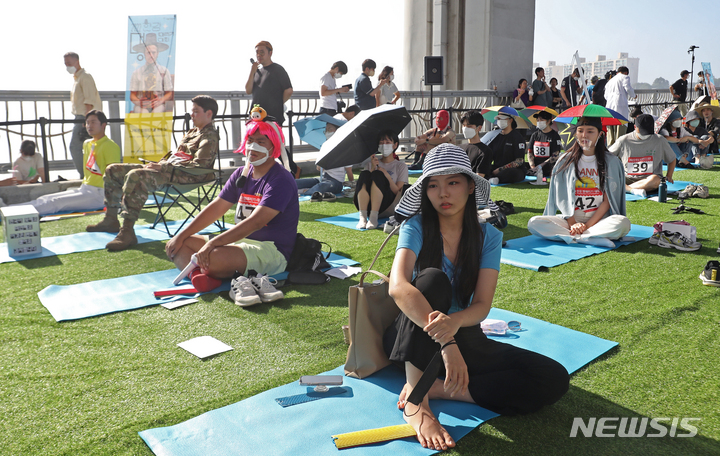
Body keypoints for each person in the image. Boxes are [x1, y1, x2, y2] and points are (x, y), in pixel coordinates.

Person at [384, 144, 569, 451]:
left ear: (470, 186)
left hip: (462, 333)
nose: (443, 194)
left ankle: (440, 388)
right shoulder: (415, 227)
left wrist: (453, 331)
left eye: (452, 183)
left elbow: (482, 305)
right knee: (431, 280)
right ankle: (418, 403)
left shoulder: (489, 237)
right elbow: (398, 286)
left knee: (552, 378)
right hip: (412, 336)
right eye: (433, 185)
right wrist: (447, 343)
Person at [164, 114, 298, 306]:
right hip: (241, 243)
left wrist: (211, 244)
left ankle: (209, 271)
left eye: (261, 141)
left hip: (271, 250)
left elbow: (256, 222)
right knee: (178, 245)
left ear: (274, 145)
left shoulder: (281, 179)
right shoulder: (242, 173)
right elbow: (217, 207)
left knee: (213, 257)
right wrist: (182, 235)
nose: (253, 147)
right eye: (250, 140)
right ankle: (200, 277)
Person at [86, 95, 220, 251]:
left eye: (196, 111)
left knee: (135, 175)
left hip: (186, 177)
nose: (192, 115)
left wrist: (163, 168)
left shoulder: (209, 136)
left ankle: (127, 231)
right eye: (192, 111)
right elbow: (178, 157)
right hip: (171, 171)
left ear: (209, 114)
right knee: (113, 170)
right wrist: (160, 164)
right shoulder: (193, 132)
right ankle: (111, 218)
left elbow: (199, 167)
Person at [528, 117, 631, 248]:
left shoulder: (611, 162)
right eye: (580, 131)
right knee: (534, 223)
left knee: (623, 223)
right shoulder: (564, 160)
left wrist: (586, 226)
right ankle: (589, 237)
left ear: (600, 134)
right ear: (576, 134)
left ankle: (579, 235)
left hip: (599, 220)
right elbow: (561, 196)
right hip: (570, 219)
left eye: (590, 131)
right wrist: (573, 224)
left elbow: (608, 201)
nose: (584, 135)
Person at [8, 111, 119, 215]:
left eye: (93, 122)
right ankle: (7, 211)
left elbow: (114, 176)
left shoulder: (110, 146)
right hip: (85, 188)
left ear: (103, 125)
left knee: (54, 203)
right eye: (87, 122)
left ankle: (11, 213)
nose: (89, 125)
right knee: (46, 199)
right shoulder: (87, 143)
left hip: (100, 194)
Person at [609, 114, 676, 197]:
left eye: (647, 132)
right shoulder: (623, 140)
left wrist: (669, 175)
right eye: (642, 131)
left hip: (649, 179)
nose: (645, 135)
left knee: (655, 180)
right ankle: (631, 189)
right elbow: (608, 156)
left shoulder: (660, 140)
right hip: (627, 178)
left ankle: (624, 188)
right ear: (635, 127)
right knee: (608, 178)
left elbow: (672, 158)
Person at [354, 131, 408, 229]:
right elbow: (364, 184)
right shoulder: (371, 163)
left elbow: (398, 192)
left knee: (378, 175)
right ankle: (363, 217)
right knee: (365, 174)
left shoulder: (401, 166)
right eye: (381, 143)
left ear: (395, 145)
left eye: (387, 142)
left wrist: (386, 175)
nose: (384, 145)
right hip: (367, 204)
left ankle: (373, 218)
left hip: (387, 204)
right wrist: (372, 169)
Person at [64, 52, 102, 178]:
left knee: (75, 146)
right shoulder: (77, 78)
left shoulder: (85, 77)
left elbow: (89, 100)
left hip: (84, 117)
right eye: (66, 64)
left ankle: (85, 174)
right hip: (81, 117)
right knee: (86, 147)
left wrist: (87, 120)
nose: (67, 66)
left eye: (69, 63)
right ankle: (89, 173)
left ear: (77, 62)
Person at [296, 122, 353, 199]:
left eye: (330, 129)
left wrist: (353, 187)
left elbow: (349, 172)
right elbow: (319, 168)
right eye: (325, 130)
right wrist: (321, 162)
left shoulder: (345, 150)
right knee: (297, 182)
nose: (327, 132)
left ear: (337, 131)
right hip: (322, 179)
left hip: (335, 182)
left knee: (322, 186)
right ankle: (304, 190)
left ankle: (304, 192)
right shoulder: (325, 146)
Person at [245, 41, 293, 126]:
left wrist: (277, 103)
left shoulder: (278, 69)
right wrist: (252, 71)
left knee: (271, 138)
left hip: (272, 117)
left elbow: (288, 90)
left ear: (270, 53)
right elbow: (248, 90)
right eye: (257, 52)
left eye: (262, 52)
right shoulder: (257, 72)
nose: (259, 55)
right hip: (256, 116)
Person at [129, 34, 174, 113]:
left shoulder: (164, 71)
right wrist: (139, 102)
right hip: (141, 105)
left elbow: (169, 93)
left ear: (157, 53)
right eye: (148, 53)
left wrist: (160, 101)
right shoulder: (136, 73)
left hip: (158, 104)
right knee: (143, 113)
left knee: (156, 113)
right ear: (144, 54)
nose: (151, 55)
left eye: (153, 52)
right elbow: (132, 95)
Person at [483, 110, 528, 184]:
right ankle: (492, 178)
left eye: (502, 119)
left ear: (510, 120)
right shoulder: (495, 136)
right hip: (496, 167)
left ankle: (492, 178)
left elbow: (519, 161)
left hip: (513, 169)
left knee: (510, 173)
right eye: (498, 119)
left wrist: (500, 169)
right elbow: (489, 155)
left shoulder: (517, 138)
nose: (499, 121)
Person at [605, 66, 636, 146]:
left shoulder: (610, 81)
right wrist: (634, 95)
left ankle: (610, 150)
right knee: (620, 131)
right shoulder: (625, 77)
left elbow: (605, 95)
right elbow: (628, 88)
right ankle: (618, 151)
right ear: (626, 72)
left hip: (609, 106)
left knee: (611, 131)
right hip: (620, 105)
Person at [527, 111, 563, 178]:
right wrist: (533, 166)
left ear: (549, 121)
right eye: (538, 120)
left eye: (541, 120)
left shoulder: (555, 136)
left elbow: (555, 155)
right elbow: (529, 152)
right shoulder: (535, 135)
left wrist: (540, 166)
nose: (539, 122)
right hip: (535, 164)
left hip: (548, 165)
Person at [460, 110, 492, 177]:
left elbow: (479, 177)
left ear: (479, 128)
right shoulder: (459, 148)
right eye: (463, 125)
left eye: (469, 126)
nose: (465, 128)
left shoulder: (484, 151)